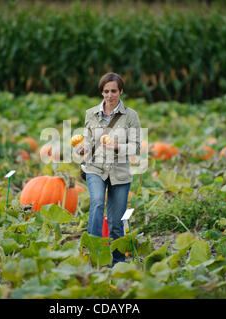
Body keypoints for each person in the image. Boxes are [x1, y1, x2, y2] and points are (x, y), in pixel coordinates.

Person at [77, 72, 142, 266]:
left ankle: (117, 262)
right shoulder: (91, 114)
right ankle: (94, 255)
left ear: (121, 91)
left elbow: (136, 146)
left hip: (119, 172)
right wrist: (83, 148)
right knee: (97, 203)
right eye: (106, 91)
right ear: (101, 92)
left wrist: (117, 146)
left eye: (114, 91)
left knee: (116, 221)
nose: (110, 95)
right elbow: (87, 141)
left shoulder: (130, 116)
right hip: (95, 167)